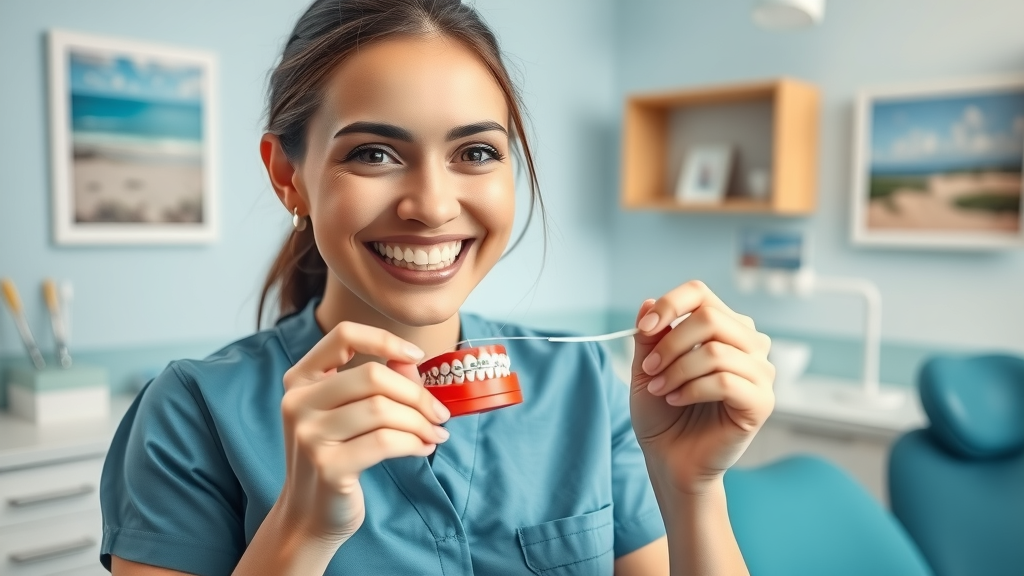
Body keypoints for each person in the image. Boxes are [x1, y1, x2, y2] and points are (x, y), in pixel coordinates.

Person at [99, 1, 776, 574]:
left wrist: (693, 487)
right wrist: (300, 531)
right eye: (373, 153)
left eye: (475, 153)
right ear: (288, 176)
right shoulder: (189, 415)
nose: (432, 205)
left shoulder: (584, 383)